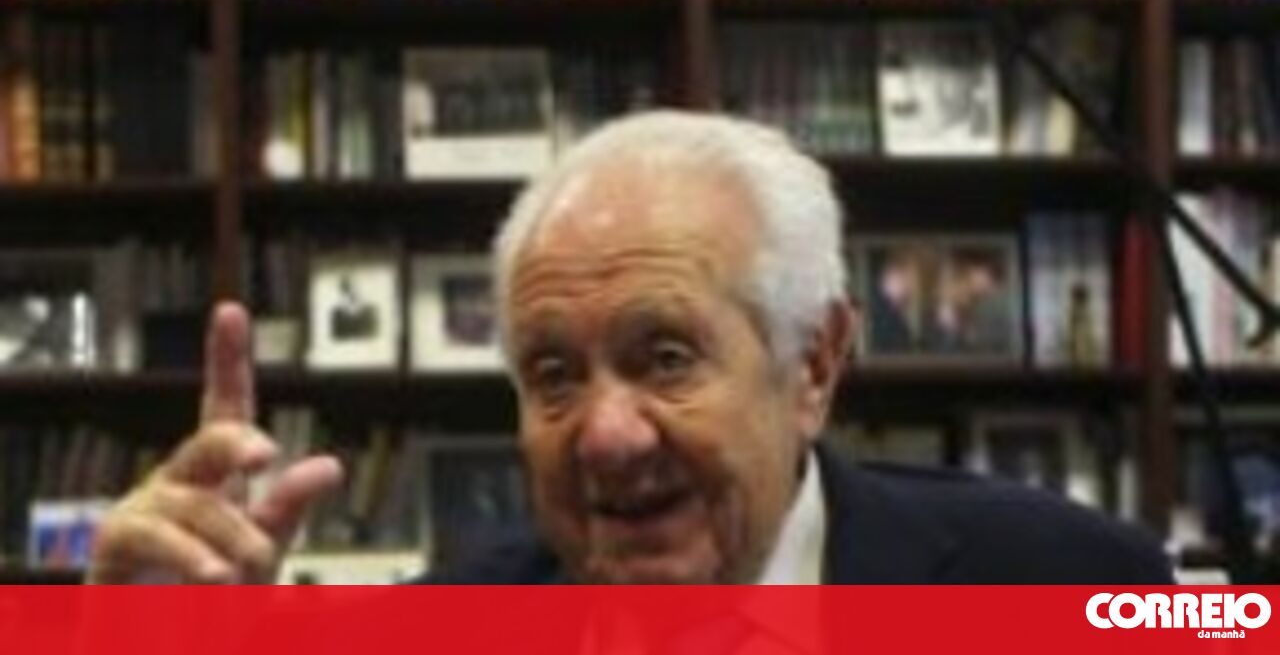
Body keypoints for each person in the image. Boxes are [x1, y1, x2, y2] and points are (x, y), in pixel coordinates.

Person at [88, 111, 1172, 585]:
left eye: (664, 358)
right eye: (553, 374)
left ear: (812, 364)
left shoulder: (1074, 583)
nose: (605, 437)